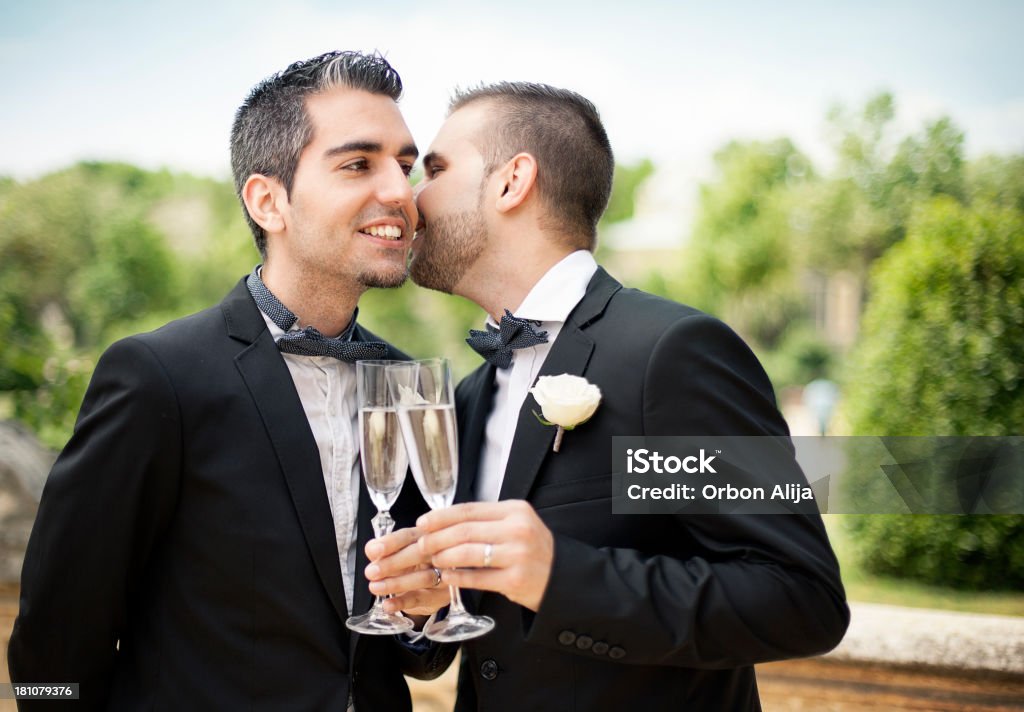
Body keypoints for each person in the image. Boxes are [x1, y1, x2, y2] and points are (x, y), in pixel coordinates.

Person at [366, 82, 850, 710]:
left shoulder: (677, 353)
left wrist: (558, 577)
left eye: (433, 169)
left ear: (512, 181)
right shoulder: (471, 392)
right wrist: (432, 598)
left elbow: (800, 599)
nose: (409, 195)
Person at [8, 51, 453, 711]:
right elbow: (52, 646)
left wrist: (424, 614)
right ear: (267, 200)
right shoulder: (156, 377)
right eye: (359, 163)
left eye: (405, 164)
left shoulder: (412, 382)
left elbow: (420, 648)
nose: (399, 192)